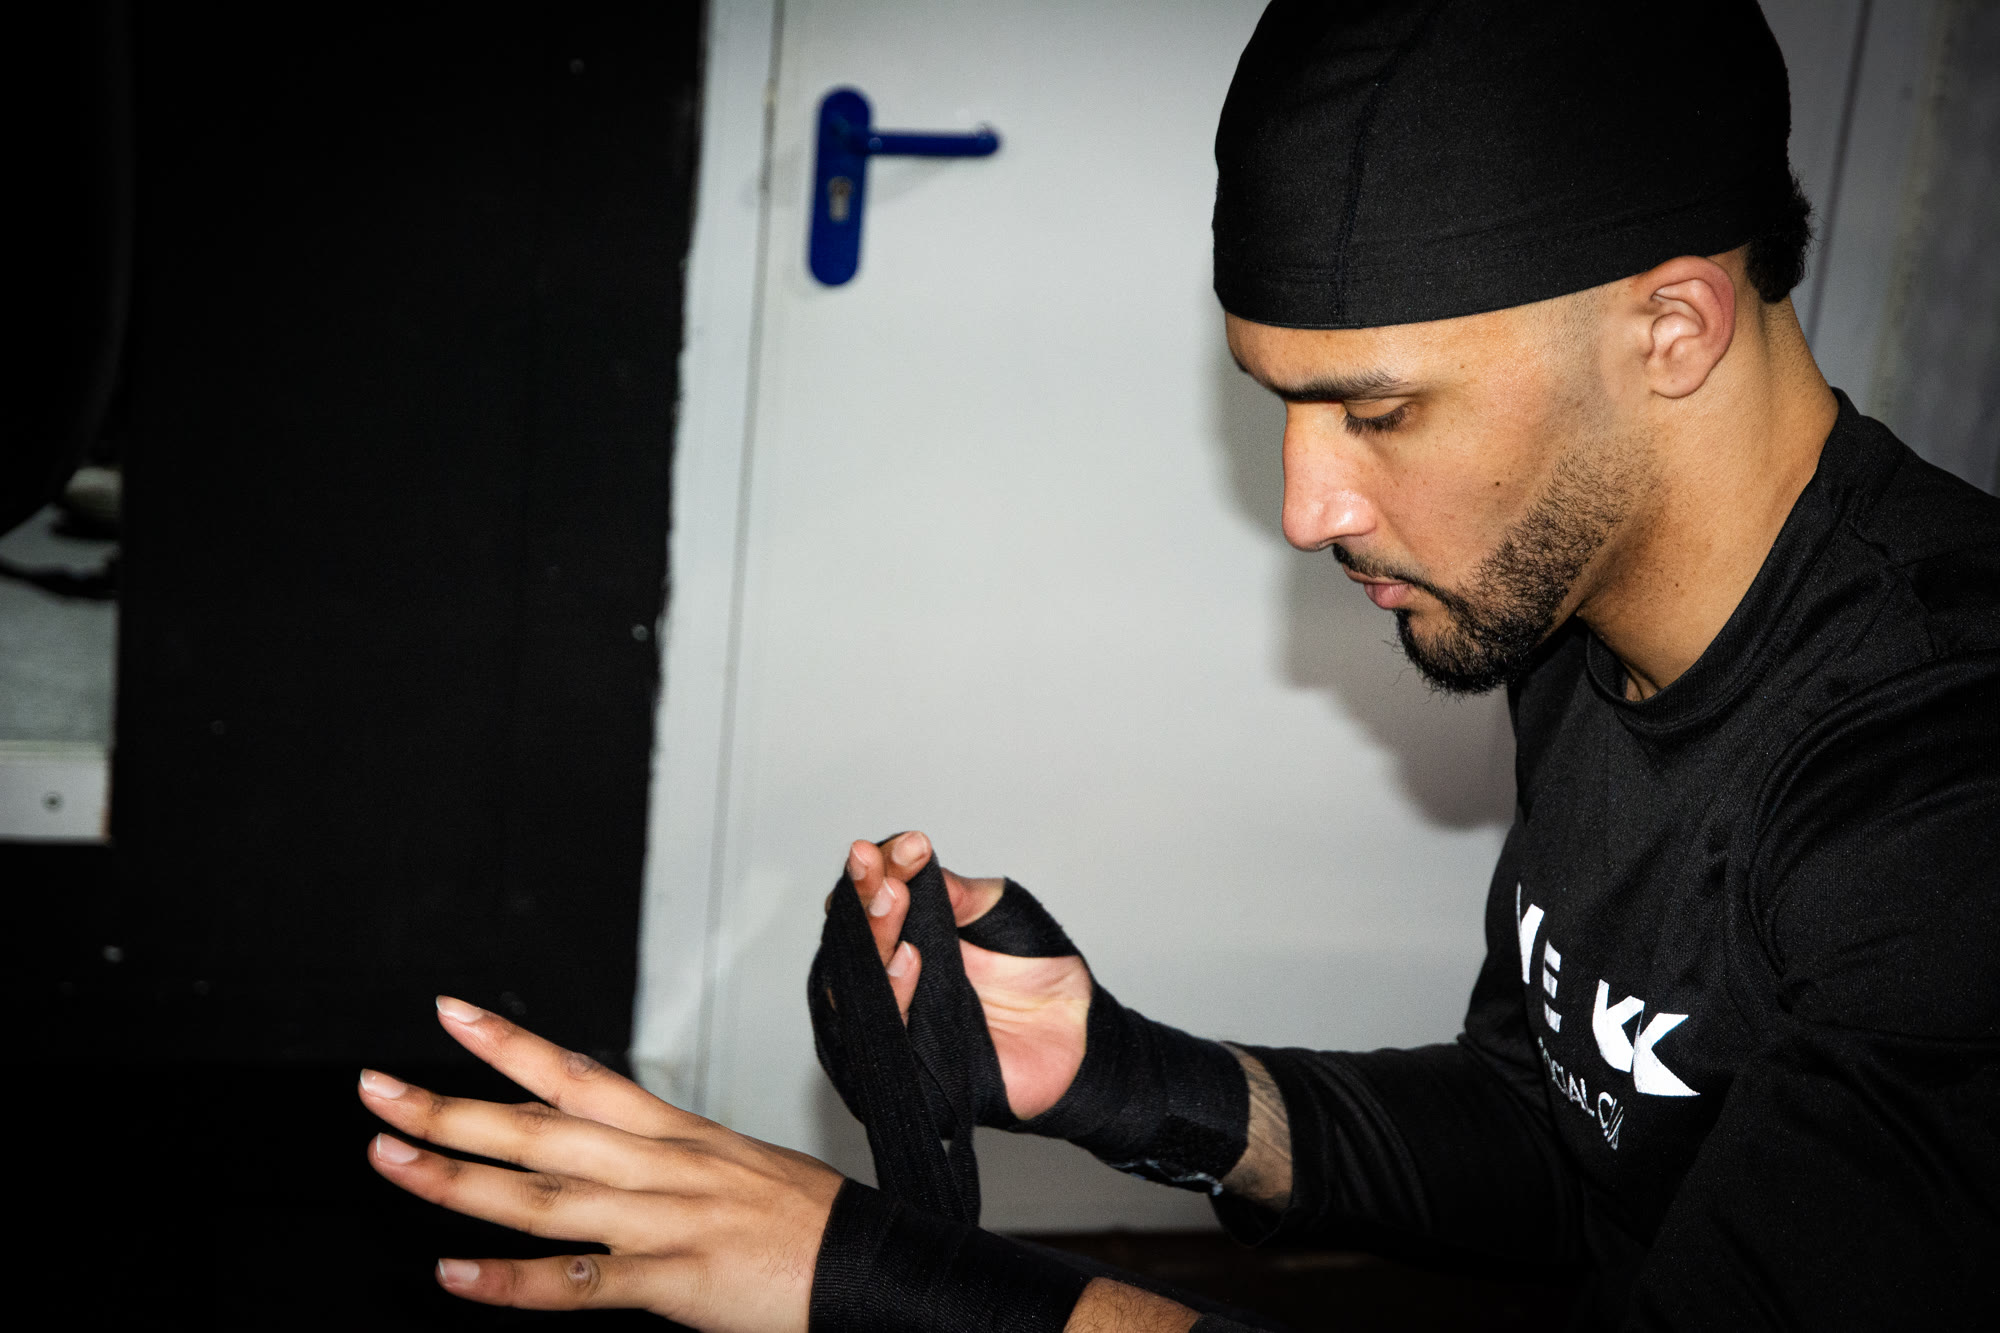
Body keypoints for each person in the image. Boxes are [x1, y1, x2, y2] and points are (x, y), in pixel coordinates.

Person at [355, 2, 1999, 1328]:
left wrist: (875, 1287)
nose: (1306, 503)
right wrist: (1125, 1076)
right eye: (1284, 402)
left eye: (1378, 407)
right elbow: (1564, 1145)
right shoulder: (1573, 605)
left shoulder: (1943, 811)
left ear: (1674, 328)